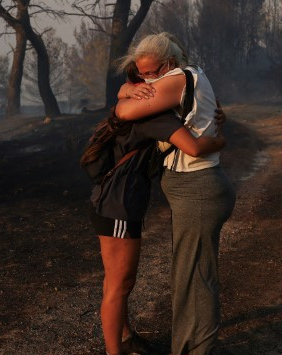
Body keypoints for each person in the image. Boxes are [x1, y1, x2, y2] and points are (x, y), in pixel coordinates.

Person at [84, 63, 226, 355]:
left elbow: (125, 101)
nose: (156, 82)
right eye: (150, 78)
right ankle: (115, 351)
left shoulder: (138, 104)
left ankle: (124, 338)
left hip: (110, 200)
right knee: (120, 284)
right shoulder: (154, 117)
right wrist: (220, 140)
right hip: (118, 205)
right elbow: (195, 148)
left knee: (117, 281)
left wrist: (128, 89)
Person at [115, 33, 236, 355]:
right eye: (140, 73)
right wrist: (128, 88)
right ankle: (187, 347)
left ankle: (197, 350)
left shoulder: (177, 78)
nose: (146, 80)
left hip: (198, 188)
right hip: (198, 187)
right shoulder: (193, 76)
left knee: (195, 279)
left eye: (150, 73)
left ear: (168, 63)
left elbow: (124, 113)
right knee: (189, 276)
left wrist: (126, 93)